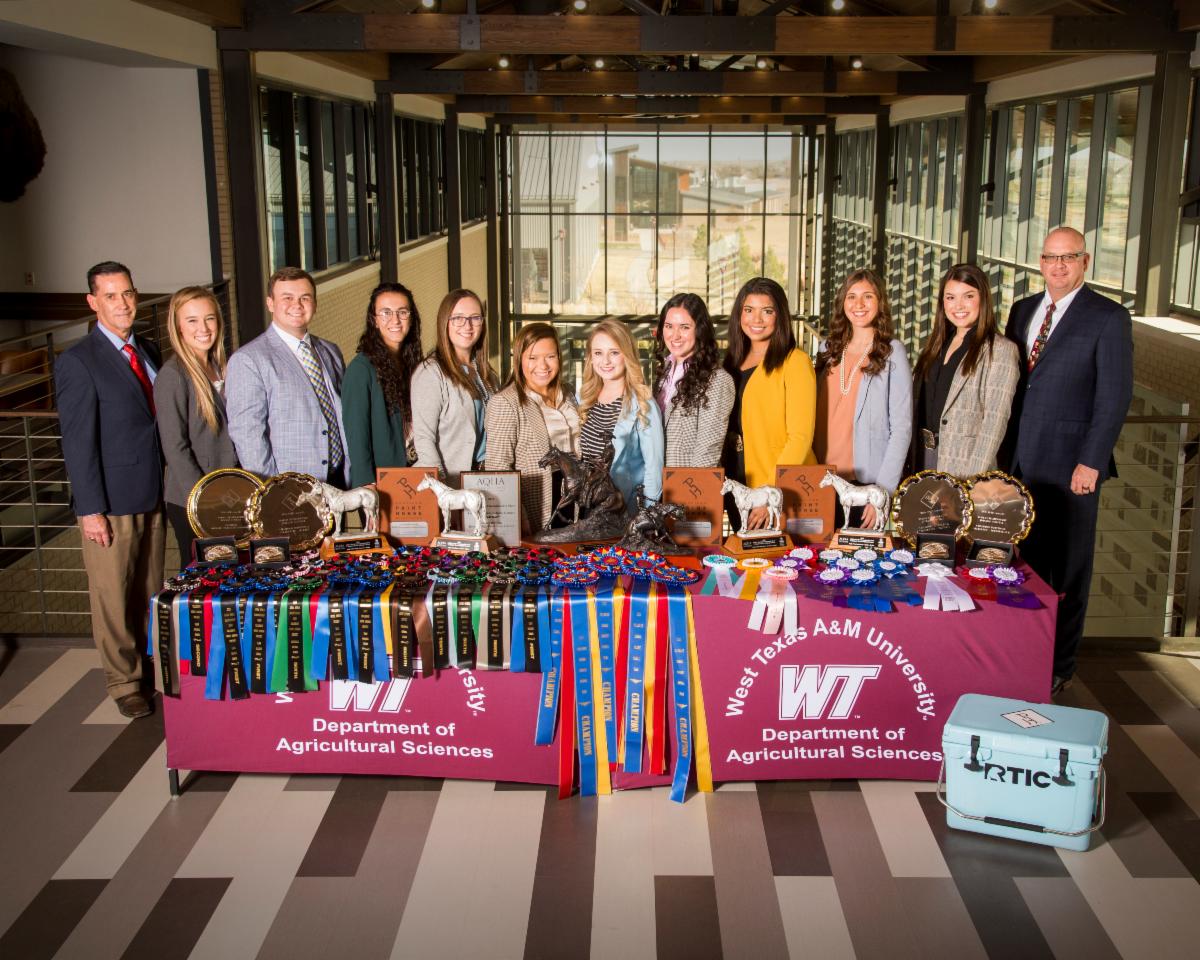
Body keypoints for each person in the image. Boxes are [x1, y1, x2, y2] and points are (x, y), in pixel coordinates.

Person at [1002, 227, 1133, 695]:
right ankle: (1024, 654)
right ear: (1040, 261)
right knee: (1024, 566)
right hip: (1022, 462)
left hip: (1072, 469)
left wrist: (1092, 462)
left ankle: (1060, 666)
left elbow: (1114, 398)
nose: (1058, 267)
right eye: (1051, 258)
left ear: (1086, 260)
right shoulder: (1022, 311)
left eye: (1069, 258)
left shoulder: (1108, 318)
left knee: (1069, 571)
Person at [55, 261, 164, 719]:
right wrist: (90, 509)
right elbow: (77, 443)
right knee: (113, 596)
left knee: (149, 589)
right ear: (92, 301)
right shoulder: (78, 361)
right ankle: (124, 683)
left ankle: (149, 668)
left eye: (128, 294)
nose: (122, 303)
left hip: (154, 492)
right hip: (111, 501)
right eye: (111, 295)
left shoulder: (151, 349)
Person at [225, 267, 348, 486]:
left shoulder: (330, 351)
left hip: (337, 479)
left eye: (305, 298)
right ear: (270, 303)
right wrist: (273, 488)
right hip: (289, 487)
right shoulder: (249, 359)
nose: (297, 305)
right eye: (287, 298)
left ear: (315, 304)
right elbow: (248, 436)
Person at [814, 269, 912, 527]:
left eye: (867, 296)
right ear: (842, 303)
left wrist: (882, 491)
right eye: (851, 296)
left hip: (866, 483)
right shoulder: (826, 350)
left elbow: (902, 429)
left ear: (880, 302)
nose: (859, 304)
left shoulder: (893, 353)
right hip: (822, 477)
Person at [722, 276, 816, 529]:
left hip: (773, 489)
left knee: (776, 566)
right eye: (749, 310)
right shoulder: (730, 362)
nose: (756, 319)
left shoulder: (795, 362)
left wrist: (769, 492)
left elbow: (800, 437)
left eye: (767, 311)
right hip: (738, 481)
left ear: (780, 316)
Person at [153, 287, 238, 565]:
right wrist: (205, 502)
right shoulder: (173, 375)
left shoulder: (222, 366)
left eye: (209, 318)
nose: (203, 328)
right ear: (177, 327)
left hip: (230, 494)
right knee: (203, 581)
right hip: (195, 501)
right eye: (192, 320)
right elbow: (175, 449)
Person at [911, 263, 1019, 476]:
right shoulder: (936, 345)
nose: (958, 305)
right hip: (922, 457)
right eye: (950, 297)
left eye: (968, 296)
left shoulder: (1000, 350)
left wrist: (971, 479)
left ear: (983, 299)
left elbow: (994, 424)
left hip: (962, 464)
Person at [485, 322, 581, 533]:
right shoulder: (505, 402)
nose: (543, 365)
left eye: (550, 356)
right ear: (519, 359)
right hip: (539, 506)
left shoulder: (568, 393)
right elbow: (498, 469)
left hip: (576, 501)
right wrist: (517, 517)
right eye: (533, 358)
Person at [410, 288, 498, 484]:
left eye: (475, 318)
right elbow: (424, 440)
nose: (467, 325)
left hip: (486, 478)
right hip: (449, 482)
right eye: (458, 318)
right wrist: (443, 491)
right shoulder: (431, 373)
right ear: (445, 323)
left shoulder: (487, 374)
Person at [341, 282, 423, 488]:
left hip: (415, 473)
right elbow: (356, 436)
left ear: (411, 318)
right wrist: (366, 486)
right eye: (386, 313)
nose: (395, 320)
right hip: (382, 482)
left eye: (402, 312)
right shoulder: (361, 370)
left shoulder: (413, 363)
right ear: (374, 320)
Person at [578, 318, 664, 514]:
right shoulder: (583, 399)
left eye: (614, 353)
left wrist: (644, 518)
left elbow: (654, 469)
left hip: (624, 512)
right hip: (586, 512)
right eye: (598, 353)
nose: (605, 361)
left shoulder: (643, 403)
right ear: (590, 358)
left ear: (627, 355)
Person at [653, 292, 735, 468]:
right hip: (658, 486)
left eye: (684, 327)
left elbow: (707, 453)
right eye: (669, 326)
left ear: (700, 330)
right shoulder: (664, 373)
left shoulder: (717, 380)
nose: (675, 336)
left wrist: (689, 493)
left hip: (687, 487)